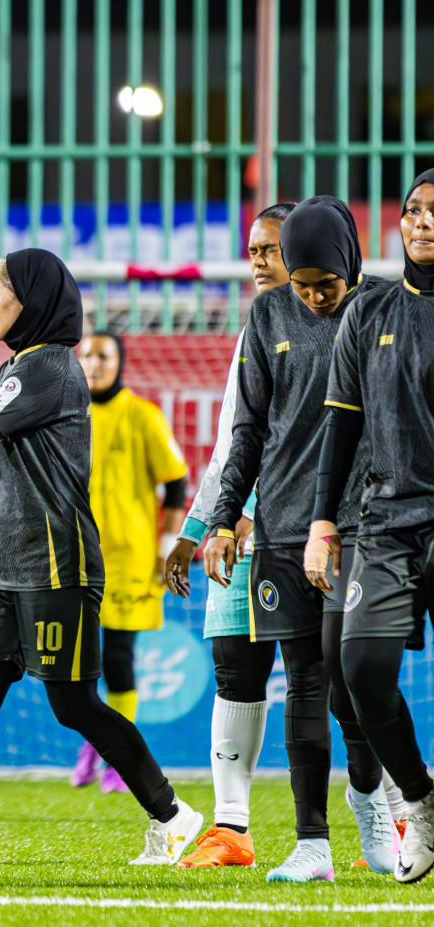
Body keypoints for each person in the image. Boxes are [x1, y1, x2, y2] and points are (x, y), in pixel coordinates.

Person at [0, 248, 202, 867]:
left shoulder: (49, 367)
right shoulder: (20, 366)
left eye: (0, 288)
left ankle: (174, 813)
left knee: (74, 704)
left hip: (56, 563)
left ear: (34, 300)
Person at [204, 196, 396, 883]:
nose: (313, 298)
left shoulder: (387, 308)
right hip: (284, 526)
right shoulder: (268, 314)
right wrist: (226, 515)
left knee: (355, 683)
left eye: (326, 286)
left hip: (365, 525)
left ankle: (373, 805)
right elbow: (248, 429)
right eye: (303, 285)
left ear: (350, 266)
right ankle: (312, 843)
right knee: (305, 683)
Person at [306, 168, 434, 884]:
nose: (421, 223)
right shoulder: (370, 311)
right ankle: (421, 800)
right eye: (413, 211)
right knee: (358, 670)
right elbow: (342, 424)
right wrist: (324, 519)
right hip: (385, 521)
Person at [163, 202, 292, 869]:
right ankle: (232, 829)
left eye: (269, 249)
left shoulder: (339, 325)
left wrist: (254, 512)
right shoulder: (253, 328)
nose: (258, 263)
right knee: (234, 669)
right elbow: (231, 445)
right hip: (236, 528)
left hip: (303, 529)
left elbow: (316, 438)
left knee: (334, 677)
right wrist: (196, 526)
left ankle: (391, 822)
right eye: (252, 251)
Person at [72, 331, 189, 792]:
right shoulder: (69, 416)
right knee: (78, 660)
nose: (94, 364)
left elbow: (176, 481)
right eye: (86, 356)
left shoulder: (143, 416)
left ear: (118, 363)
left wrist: (167, 547)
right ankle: (94, 744)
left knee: (118, 657)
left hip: (130, 560)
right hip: (76, 555)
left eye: (103, 356)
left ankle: (119, 759)